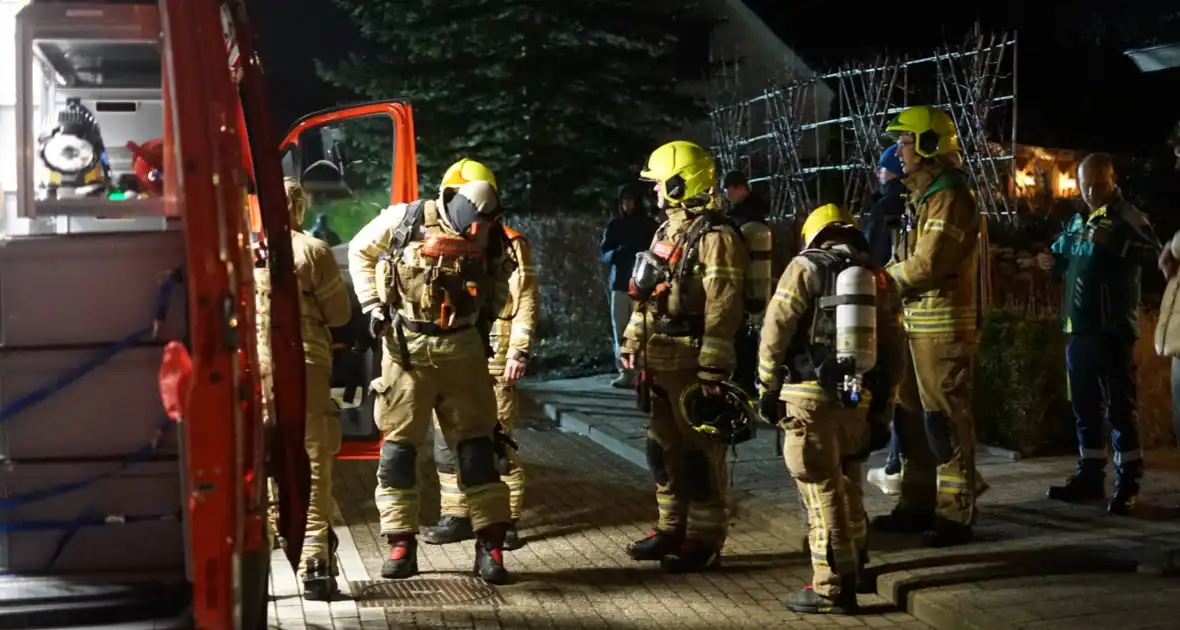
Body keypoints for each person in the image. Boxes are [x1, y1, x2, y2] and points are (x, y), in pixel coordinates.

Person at [348, 167, 513, 584]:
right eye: (474, 225)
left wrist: (484, 322)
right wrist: (373, 305)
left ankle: (490, 547)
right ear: (459, 211)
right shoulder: (404, 220)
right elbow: (359, 250)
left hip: (463, 354)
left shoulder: (491, 234)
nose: (478, 233)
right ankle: (401, 544)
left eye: (485, 227)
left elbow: (501, 283)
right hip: (406, 355)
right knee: (398, 452)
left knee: (477, 450)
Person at [757, 202, 905, 614]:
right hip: (857, 399)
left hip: (807, 397)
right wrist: (883, 413)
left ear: (814, 236)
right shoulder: (878, 279)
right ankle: (855, 566)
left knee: (820, 493)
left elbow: (775, 327)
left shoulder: (804, 268)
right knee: (849, 485)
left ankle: (831, 587)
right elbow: (895, 352)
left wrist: (767, 387)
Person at [620, 140, 749, 573]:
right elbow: (648, 297)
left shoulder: (717, 238)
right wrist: (632, 340)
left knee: (699, 455)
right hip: (661, 358)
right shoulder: (666, 232)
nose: (654, 192)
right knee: (662, 449)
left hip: (694, 360)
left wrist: (714, 366)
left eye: (659, 184)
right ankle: (671, 527)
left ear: (680, 183)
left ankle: (705, 538)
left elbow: (724, 305)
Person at [871, 106, 981, 547]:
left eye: (906, 142)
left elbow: (930, 263)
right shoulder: (922, 195)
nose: (900, 150)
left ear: (930, 145)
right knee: (911, 419)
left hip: (942, 328)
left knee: (944, 421)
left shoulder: (950, 197)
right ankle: (916, 504)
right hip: (917, 326)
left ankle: (956, 513)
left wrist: (880, 280)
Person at [422, 160, 540, 551]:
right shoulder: (442, 239)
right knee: (447, 440)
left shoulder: (508, 243)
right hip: (457, 356)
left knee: (497, 442)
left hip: (496, 356)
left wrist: (518, 351)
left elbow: (525, 300)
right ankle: (456, 514)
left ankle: (505, 521)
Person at [1035, 153, 1162, 514]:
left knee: (1121, 408)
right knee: (1084, 406)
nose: (1091, 192)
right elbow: (1063, 255)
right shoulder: (1077, 220)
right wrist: (1050, 262)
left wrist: (1114, 243)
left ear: (1113, 180)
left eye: (1099, 184)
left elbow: (1155, 255)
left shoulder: (1127, 217)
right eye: (1085, 184)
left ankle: (1128, 483)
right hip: (1079, 329)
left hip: (1112, 330)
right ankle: (1089, 476)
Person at [255, 179, 352, 600]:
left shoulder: (241, 252)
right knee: (313, 461)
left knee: (260, 458)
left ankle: (258, 558)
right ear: (296, 207)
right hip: (305, 368)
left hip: (254, 372)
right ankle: (315, 564)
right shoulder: (312, 251)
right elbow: (340, 313)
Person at [862, 145, 909, 496]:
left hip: (893, 306)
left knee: (897, 390)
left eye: (883, 168)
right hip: (918, 310)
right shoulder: (917, 201)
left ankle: (896, 464)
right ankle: (900, 463)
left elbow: (873, 255)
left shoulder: (886, 206)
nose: (879, 173)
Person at [600, 184, 658, 388]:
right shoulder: (615, 225)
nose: (627, 204)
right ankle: (625, 370)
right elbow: (605, 252)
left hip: (644, 285)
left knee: (644, 329)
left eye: (630, 199)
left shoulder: (648, 225)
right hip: (621, 283)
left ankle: (643, 370)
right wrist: (617, 254)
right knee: (621, 328)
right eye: (624, 200)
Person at [722, 170, 774, 396]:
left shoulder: (746, 218)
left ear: (737, 187)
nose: (728, 196)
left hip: (748, 283)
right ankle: (752, 376)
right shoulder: (759, 212)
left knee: (746, 333)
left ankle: (745, 378)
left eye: (728, 191)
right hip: (762, 283)